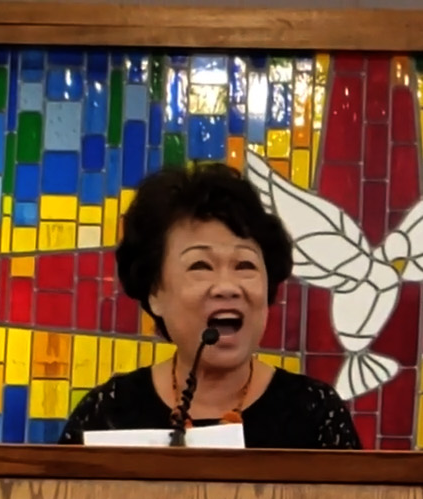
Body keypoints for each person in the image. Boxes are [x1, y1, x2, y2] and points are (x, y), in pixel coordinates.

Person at [58, 162, 363, 449]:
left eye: (245, 264)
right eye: (200, 266)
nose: (227, 287)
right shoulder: (107, 415)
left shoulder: (316, 415)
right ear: (155, 293)